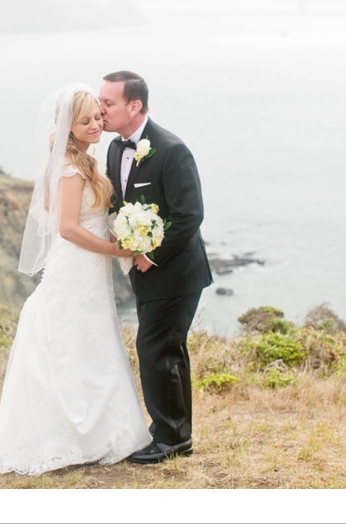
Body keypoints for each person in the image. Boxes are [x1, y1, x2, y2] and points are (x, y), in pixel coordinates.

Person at [0, 82, 151, 475]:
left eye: (97, 116)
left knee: (91, 339)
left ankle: (98, 429)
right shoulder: (71, 168)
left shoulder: (86, 160)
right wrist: (115, 250)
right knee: (70, 340)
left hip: (90, 267)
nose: (96, 124)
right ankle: (70, 434)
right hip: (76, 264)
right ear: (68, 127)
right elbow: (68, 228)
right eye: (86, 121)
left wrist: (119, 234)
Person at [100, 71, 213, 464]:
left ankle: (172, 439)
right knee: (163, 350)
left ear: (135, 106)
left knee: (156, 349)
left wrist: (150, 255)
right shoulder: (115, 149)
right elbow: (120, 204)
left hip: (176, 272)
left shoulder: (171, 149)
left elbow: (189, 216)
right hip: (142, 272)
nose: (101, 109)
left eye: (108, 102)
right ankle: (172, 433)